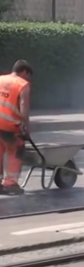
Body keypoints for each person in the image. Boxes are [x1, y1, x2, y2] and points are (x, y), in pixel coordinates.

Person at [0, 60, 33, 195]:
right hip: (10, 126)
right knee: (16, 151)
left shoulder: (0, 79)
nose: (27, 78)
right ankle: (10, 184)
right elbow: (24, 106)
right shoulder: (22, 84)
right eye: (28, 75)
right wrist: (26, 127)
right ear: (24, 71)